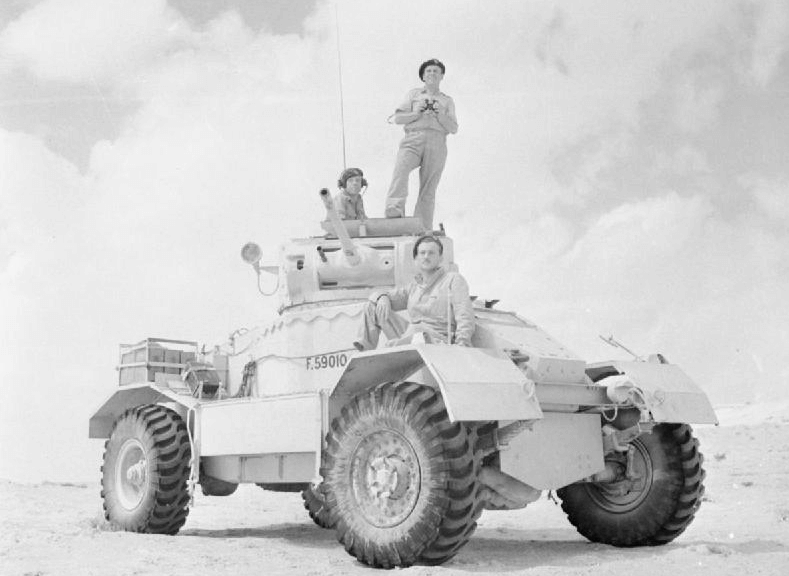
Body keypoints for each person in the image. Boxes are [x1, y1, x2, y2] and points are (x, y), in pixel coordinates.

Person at [354, 235, 474, 351]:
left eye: (431, 253)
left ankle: (398, 344)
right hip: (410, 334)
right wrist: (382, 297)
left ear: (440, 258)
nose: (426, 257)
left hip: (437, 339)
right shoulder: (413, 288)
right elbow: (380, 296)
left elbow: (464, 315)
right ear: (416, 259)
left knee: (418, 330)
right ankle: (364, 352)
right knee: (372, 305)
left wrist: (462, 345)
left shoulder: (453, 280)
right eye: (422, 253)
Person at [384, 58, 458, 231]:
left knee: (429, 185)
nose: (432, 74)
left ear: (441, 76)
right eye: (428, 71)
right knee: (401, 170)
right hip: (413, 138)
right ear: (423, 76)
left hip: (437, 140)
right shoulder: (414, 95)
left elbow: (453, 128)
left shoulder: (447, 101)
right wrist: (417, 113)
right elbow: (398, 118)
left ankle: (423, 223)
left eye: (436, 71)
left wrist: (440, 115)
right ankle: (395, 207)